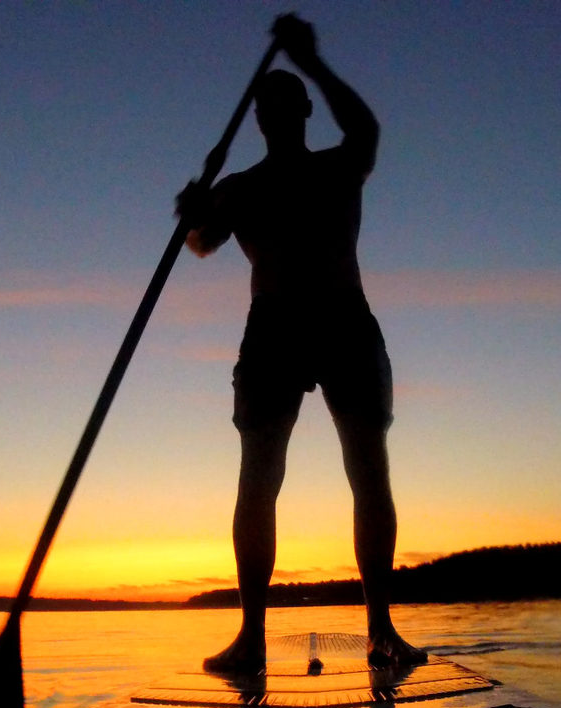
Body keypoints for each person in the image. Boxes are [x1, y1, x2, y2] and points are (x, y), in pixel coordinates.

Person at [177, 15, 426, 673]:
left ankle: (381, 628)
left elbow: (368, 129)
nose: (279, 111)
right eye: (270, 103)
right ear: (258, 118)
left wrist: (311, 59)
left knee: (368, 469)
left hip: (345, 320)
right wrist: (194, 212)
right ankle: (251, 636)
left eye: (292, 101)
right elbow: (202, 243)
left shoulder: (340, 167)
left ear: (306, 109)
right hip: (273, 330)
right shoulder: (240, 189)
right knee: (259, 478)